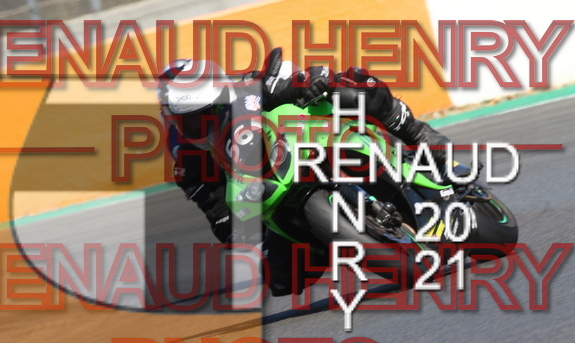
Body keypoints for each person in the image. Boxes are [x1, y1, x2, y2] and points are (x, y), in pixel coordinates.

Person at [158, 47, 454, 296]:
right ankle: (332, 239)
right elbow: (220, 214)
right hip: (272, 191)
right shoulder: (185, 156)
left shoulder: (246, 88)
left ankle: (417, 134)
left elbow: (290, 79)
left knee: (348, 85)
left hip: (300, 138)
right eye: (190, 121)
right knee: (280, 279)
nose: (200, 125)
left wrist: (309, 82)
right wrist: (250, 243)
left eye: (206, 113)